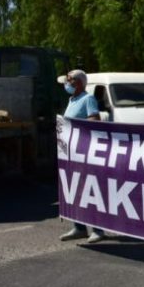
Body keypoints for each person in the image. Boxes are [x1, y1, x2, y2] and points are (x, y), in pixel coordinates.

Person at [58, 69, 105, 244]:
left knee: (90, 190)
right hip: (70, 152)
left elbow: (95, 119)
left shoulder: (88, 99)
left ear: (78, 82)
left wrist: (74, 126)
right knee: (75, 189)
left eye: (69, 80)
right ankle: (79, 227)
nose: (66, 83)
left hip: (84, 151)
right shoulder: (72, 99)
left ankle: (98, 229)